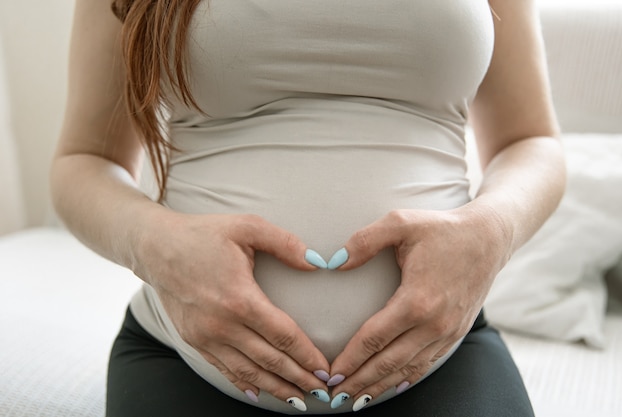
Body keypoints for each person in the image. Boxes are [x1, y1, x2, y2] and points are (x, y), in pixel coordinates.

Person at [50, 0, 566, 415]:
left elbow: (532, 140)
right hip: (188, 355)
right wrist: (151, 244)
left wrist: (489, 233)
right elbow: (83, 160)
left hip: (435, 354)